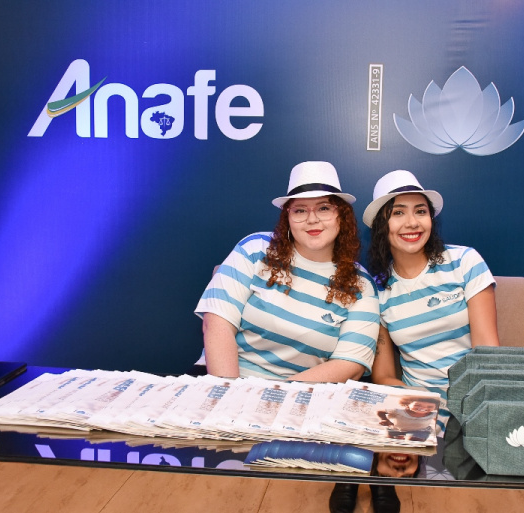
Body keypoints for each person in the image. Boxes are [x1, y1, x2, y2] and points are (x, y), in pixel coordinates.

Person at [329, 170, 500, 513]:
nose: (412, 222)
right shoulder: (378, 289)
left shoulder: (464, 262)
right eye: (398, 212)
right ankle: (361, 475)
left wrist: (467, 408)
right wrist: (417, 408)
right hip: (416, 405)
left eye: (420, 211)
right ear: (382, 225)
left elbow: (488, 351)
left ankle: (379, 473)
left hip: (473, 400)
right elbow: (383, 375)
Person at [195, 161, 379, 382]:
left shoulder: (360, 284)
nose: (312, 219)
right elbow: (217, 322)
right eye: (300, 210)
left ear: (342, 215)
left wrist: (276, 396)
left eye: (324, 208)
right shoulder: (255, 248)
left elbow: (349, 365)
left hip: (302, 395)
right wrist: (230, 392)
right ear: (287, 217)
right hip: (226, 382)